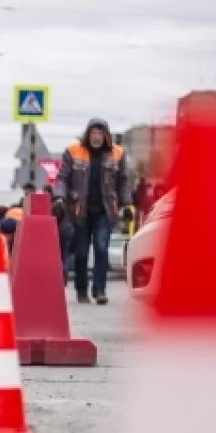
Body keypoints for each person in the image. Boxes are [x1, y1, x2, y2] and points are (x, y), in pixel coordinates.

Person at [52, 117, 133, 306]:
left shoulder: (118, 153)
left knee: (101, 247)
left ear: (106, 135)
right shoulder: (73, 152)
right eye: (93, 133)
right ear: (88, 134)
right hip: (79, 211)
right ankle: (81, 289)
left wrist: (128, 204)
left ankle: (99, 290)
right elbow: (62, 178)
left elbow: (123, 182)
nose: (96, 137)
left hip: (105, 211)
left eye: (100, 133)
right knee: (80, 252)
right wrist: (59, 198)